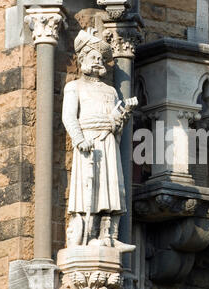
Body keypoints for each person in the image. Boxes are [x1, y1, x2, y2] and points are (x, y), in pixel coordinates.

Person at [62, 28, 137, 253]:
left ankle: (110, 237)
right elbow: (68, 116)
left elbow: (116, 126)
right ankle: (90, 236)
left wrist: (123, 114)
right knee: (90, 193)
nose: (97, 61)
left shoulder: (111, 91)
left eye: (99, 58)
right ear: (82, 59)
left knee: (112, 191)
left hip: (107, 143)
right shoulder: (74, 86)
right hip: (89, 143)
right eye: (92, 57)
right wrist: (79, 139)